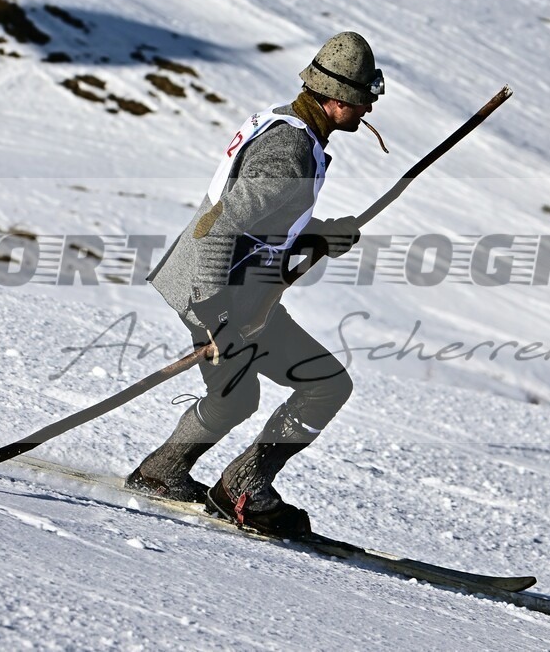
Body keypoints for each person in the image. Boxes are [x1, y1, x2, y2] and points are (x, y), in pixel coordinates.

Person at [126, 32, 385, 538]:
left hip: (235, 289)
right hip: (222, 292)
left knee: (235, 397)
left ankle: (161, 473)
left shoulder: (287, 124)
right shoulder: (291, 148)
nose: (369, 107)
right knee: (324, 385)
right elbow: (220, 225)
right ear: (337, 101)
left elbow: (256, 220)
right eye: (364, 97)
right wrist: (215, 315)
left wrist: (318, 235)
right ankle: (244, 488)